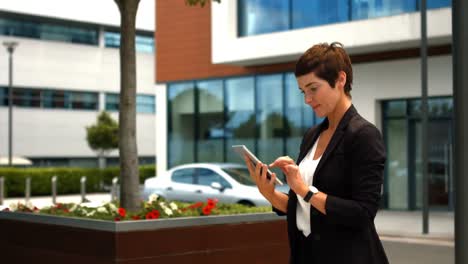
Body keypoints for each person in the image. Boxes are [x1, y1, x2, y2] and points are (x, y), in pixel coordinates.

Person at [243, 42, 389, 264]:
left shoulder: (364, 135)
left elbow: (362, 213)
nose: (307, 99)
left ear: (340, 80)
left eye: (313, 88)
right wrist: (270, 193)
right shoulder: (312, 135)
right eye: (303, 91)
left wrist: (305, 190)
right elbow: (304, 211)